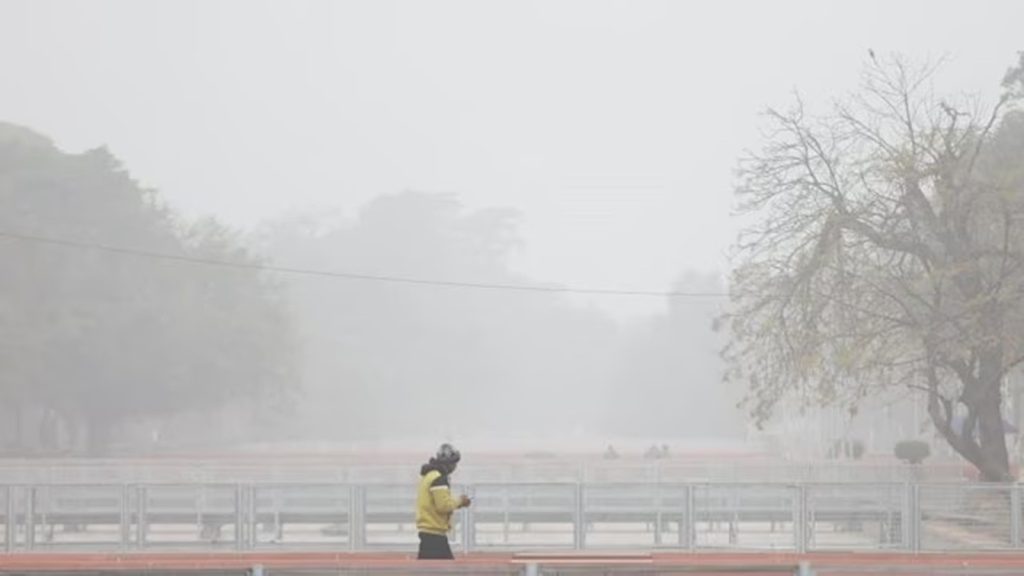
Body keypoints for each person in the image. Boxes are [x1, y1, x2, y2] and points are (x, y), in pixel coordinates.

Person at [416, 443, 471, 559]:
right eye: (454, 463)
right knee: (447, 569)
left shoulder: (429, 475)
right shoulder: (439, 479)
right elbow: (443, 506)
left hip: (428, 532)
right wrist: (460, 501)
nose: (455, 467)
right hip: (434, 534)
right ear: (449, 463)